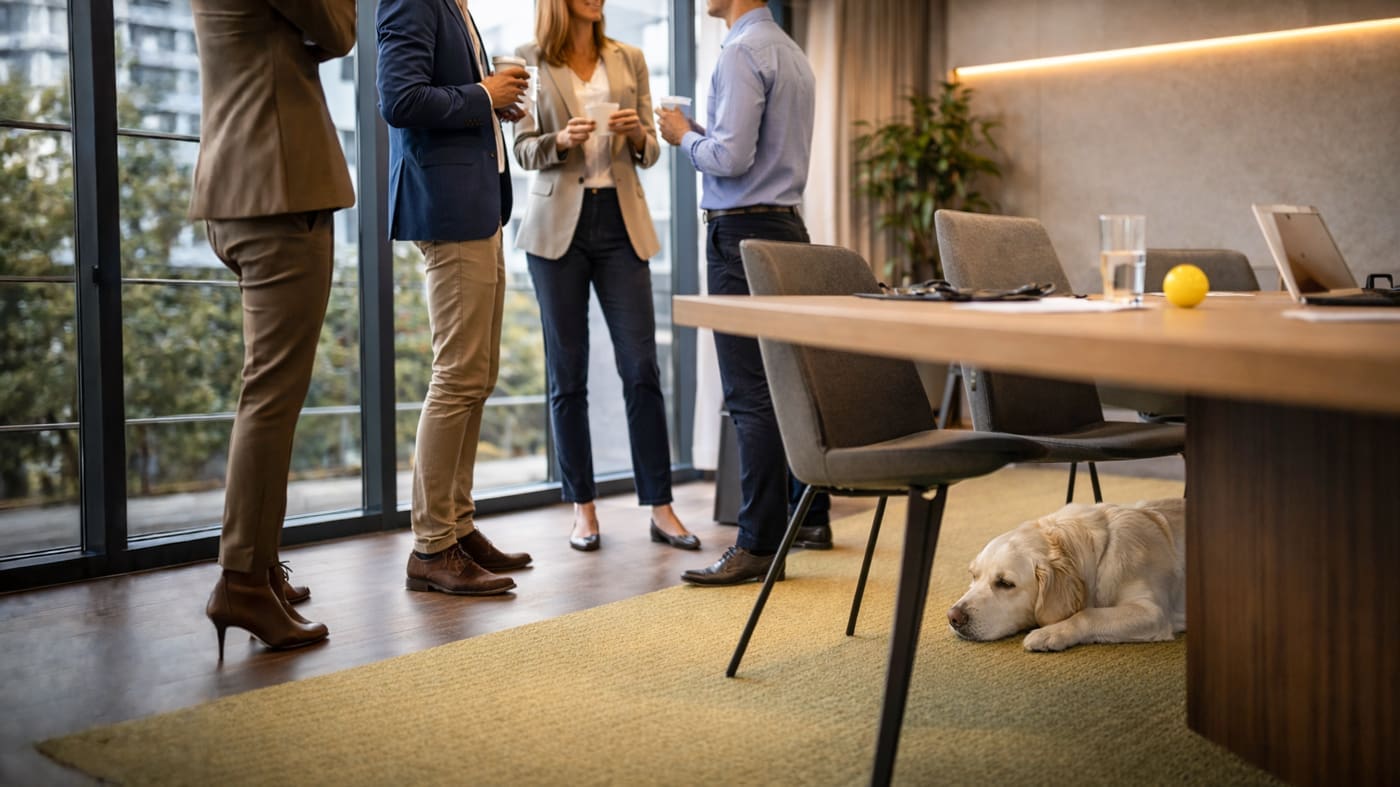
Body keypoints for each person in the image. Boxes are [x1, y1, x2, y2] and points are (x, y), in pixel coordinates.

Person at [192, 0, 355, 658]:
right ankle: (242, 580)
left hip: (242, 184)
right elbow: (339, 30)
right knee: (271, 396)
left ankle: (257, 569)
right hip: (277, 189)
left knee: (268, 392)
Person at [512, 0, 698, 553]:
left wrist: (639, 130)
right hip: (555, 232)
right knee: (567, 374)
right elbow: (522, 150)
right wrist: (560, 142)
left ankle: (661, 506)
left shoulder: (630, 58)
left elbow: (650, 152)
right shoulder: (527, 60)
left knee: (641, 368)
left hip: (621, 223)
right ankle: (583, 508)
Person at [657, 0, 829, 585]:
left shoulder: (740, 52)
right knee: (789, 386)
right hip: (787, 230)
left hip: (741, 236)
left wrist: (682, 137)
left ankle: (757, 545)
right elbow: (754, 150)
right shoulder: (791, 53)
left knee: (751, 393)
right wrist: (704, 137)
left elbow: (730, 160)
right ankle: (811, 517)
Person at [377, 0, 536, 595]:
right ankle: (432, 546)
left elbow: (448, 91)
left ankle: (458, 527)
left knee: (477, 376)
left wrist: (494, 101)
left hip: (479, 207)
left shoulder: (454, 4)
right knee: (457, 376)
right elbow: (399, 100)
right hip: (447, 208)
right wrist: (482, 95)